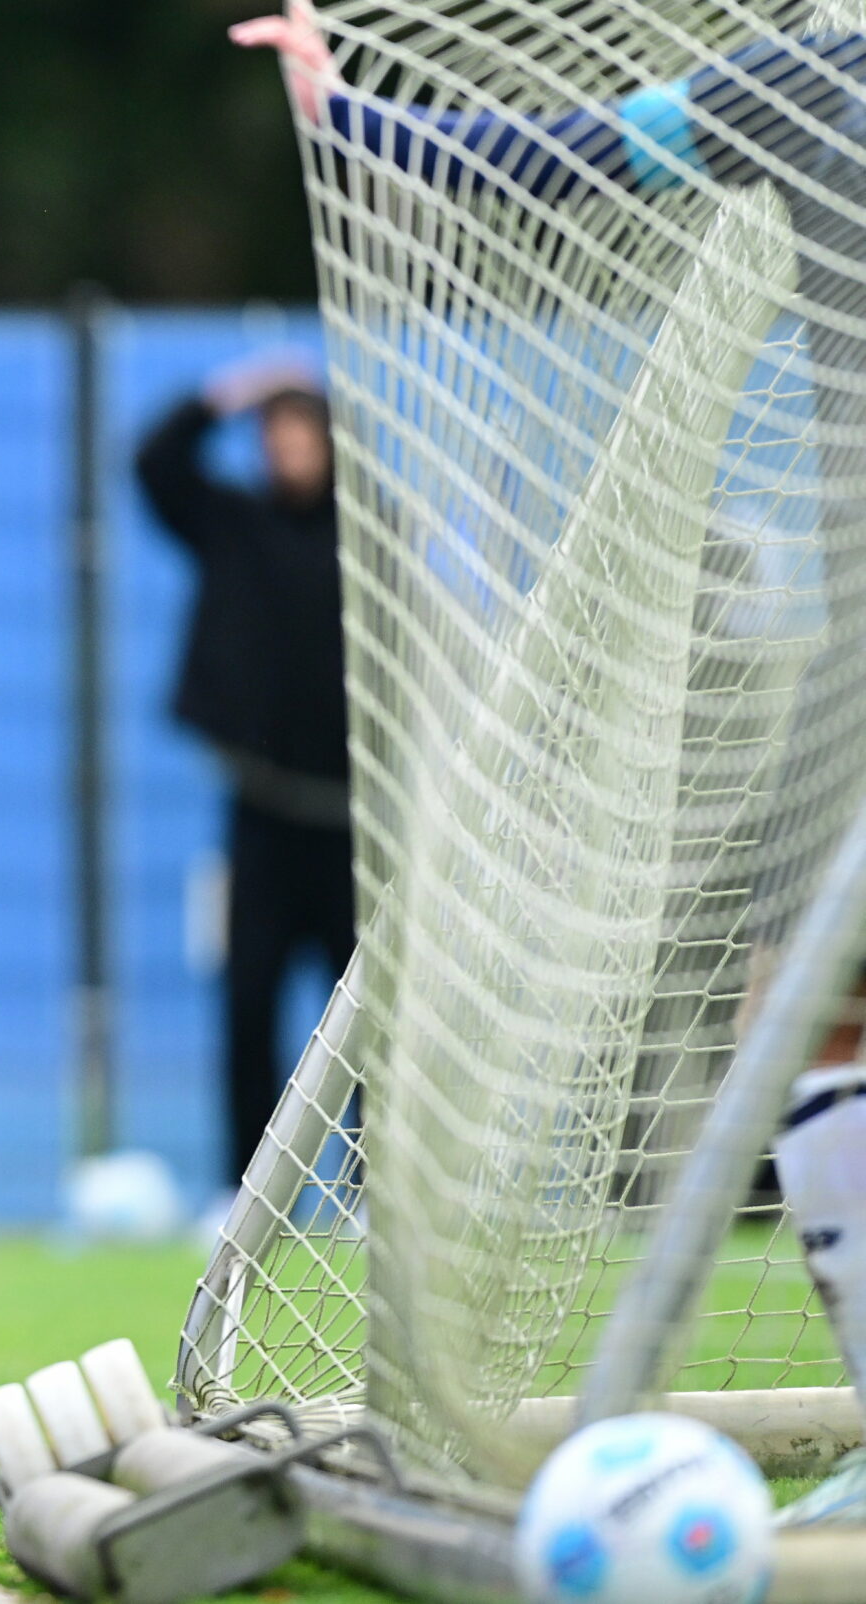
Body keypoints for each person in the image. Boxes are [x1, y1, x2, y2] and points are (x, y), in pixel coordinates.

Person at [234, 2, 866, 1520]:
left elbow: (553, 161)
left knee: (818, 1007)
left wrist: (354, 121)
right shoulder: (812, 70)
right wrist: (355, 122)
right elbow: (575, 155)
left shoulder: (817, 65)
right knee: (818, 1006)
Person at [135, 355, 350, 1190]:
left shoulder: (375, 534)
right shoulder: (233, 523)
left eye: (305, 436)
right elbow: (152, 462)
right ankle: (250, 1192)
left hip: (355, 826)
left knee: (366, 1024)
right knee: (248, 1004)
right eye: (277, 436)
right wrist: (230, 391)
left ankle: (372, 1196)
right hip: (260, 816)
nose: (291, 451)